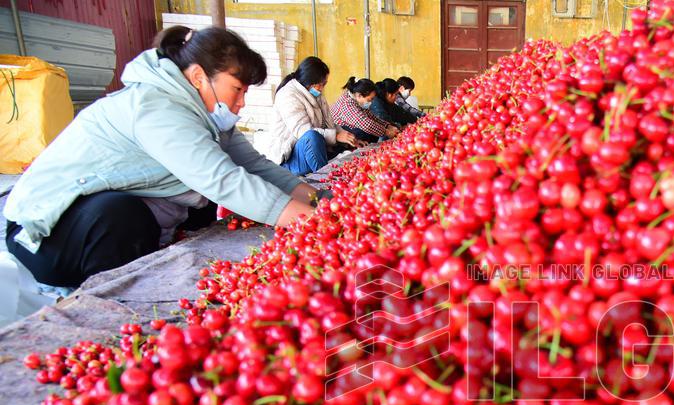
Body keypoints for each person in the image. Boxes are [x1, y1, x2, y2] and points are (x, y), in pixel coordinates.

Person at [3, 26, 317, 288]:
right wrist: (320, 223)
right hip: (47, 236)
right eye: (237, 89)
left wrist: (320, 198)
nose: (241, 103)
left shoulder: (208, 117)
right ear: (197, 77)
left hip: (92, 220)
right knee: (120, 214)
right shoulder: (156, 107)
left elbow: (255, 167)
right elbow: (223, 180)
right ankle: (115, 292)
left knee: (199, 205)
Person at [266, 56, 361, 176]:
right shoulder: (288, 95)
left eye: (324, 84)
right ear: (309, 81)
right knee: (312, 137)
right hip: (290, 158)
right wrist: (336, 136)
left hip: (314, 149)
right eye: (321, 84)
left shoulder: (317, 94)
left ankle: (329, 171)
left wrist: (348, 138)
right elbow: (303, 131)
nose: (322, 89)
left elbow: (329, 123)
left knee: (348, 134)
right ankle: (325, 180)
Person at [330, 77, 400, 144]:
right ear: (359, 95)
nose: (371, 102)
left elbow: (371, 117)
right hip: (338, 134)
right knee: (365, 132)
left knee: (374, 128)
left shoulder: (356, 100)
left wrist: (387, 126)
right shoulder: (347, 104)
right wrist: (387, 132)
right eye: (369, 99)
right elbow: (366, 124)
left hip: (350, 129)